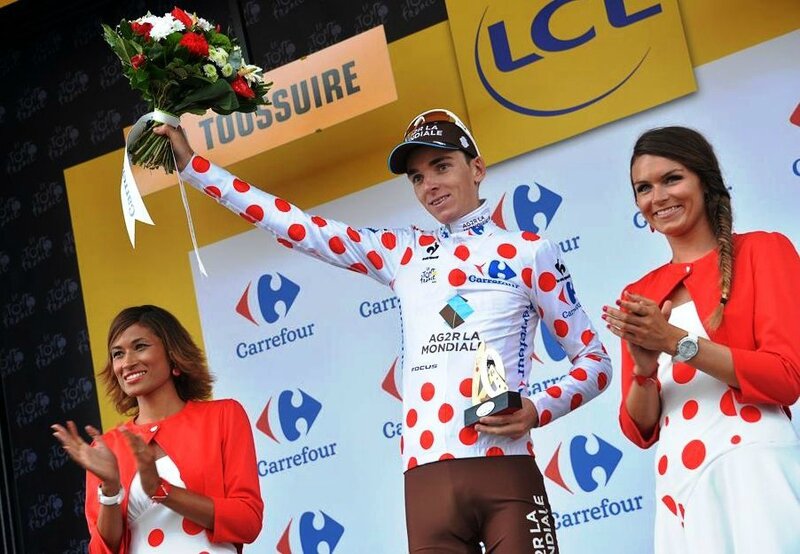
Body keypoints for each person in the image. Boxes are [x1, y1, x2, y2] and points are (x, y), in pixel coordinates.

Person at [155, 108, 612, 553]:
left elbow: (596, 362)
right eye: (416, 177)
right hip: (426, 476)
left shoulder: (529, 252)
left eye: (441, 166)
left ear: (477, 168)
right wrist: (194, 169)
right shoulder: (403, 252)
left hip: (506, 469)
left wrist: (537, 409)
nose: (429, 184)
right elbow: (295, 225)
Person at [603, 126, 800, 553]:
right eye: (644, 188)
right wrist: (643, 369)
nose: (658, 197)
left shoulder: (765, 252)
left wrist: (675, 341)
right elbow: (640, 429)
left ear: (705, 181)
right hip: (677, 480)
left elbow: (784, 378)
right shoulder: (640, 292)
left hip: (755, 463)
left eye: (672, 179)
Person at [52, 305, 263, 554]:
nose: (127, 362)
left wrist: (161, 491)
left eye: (140, 347)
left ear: (173, 355)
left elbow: (248, 522)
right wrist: (110, 488)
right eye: (118, 354)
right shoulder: (106, 448)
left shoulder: (223, 416)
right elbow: (102, 551)